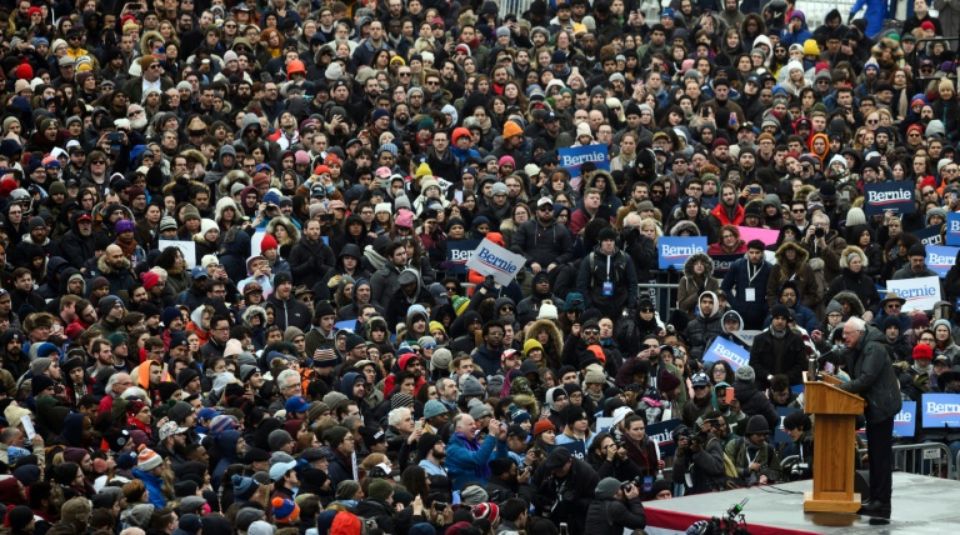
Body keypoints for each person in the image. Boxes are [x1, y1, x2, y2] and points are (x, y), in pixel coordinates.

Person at [839, 317, 903, 523]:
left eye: (847, 334)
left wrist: (839, 388)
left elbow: (866, 379)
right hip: (875, 408)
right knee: (876, 456)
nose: (844, 337)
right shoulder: (862, 347)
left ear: (859, 333)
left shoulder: (873, 348)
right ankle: (876, 500)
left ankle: (882, 503)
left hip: (882, 409)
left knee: (881, 458)